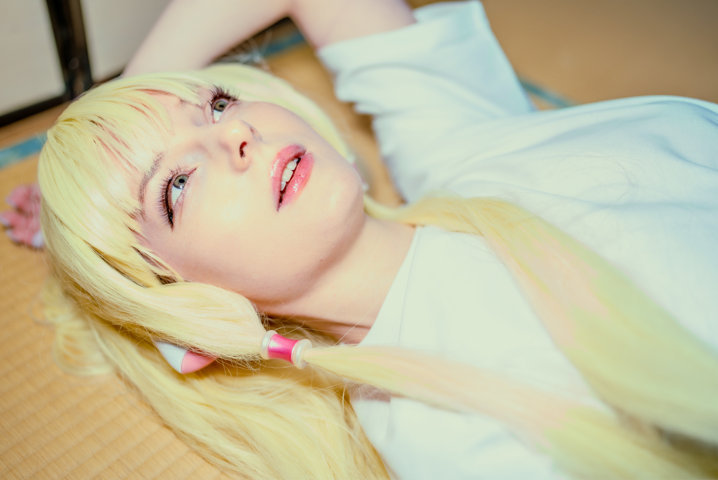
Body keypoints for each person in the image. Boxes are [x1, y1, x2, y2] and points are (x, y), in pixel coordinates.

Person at [32, 0, 718, 478]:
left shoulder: (450, 149)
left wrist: (115, 112)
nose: (236, 131)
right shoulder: (443, 433)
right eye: (177, 185)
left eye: (216, 104)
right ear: (186, 317)